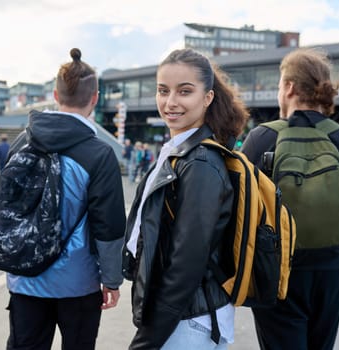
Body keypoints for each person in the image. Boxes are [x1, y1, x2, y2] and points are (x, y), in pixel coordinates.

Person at [241, 47, 339, 350]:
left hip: (276, 271)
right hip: (332, 270)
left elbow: (235, 206)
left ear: (288, 87)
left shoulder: (261, 138)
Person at [122, 48, 249, 349]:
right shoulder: (180, 152)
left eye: (185, 91)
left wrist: (148, 339)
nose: (170, 102)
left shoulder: (200, 162)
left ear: (207, 98)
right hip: (181, 317)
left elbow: (187, 261)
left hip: (190, 322)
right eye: (163, 91)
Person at [1, 48, 126, 350]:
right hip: (78, 283)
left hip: (26, 278)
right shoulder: (99, 154)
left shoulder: (22, 142)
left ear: (56, 95)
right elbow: (108, 225)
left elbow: (7, 209)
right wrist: (111, 279)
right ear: (94, 98)